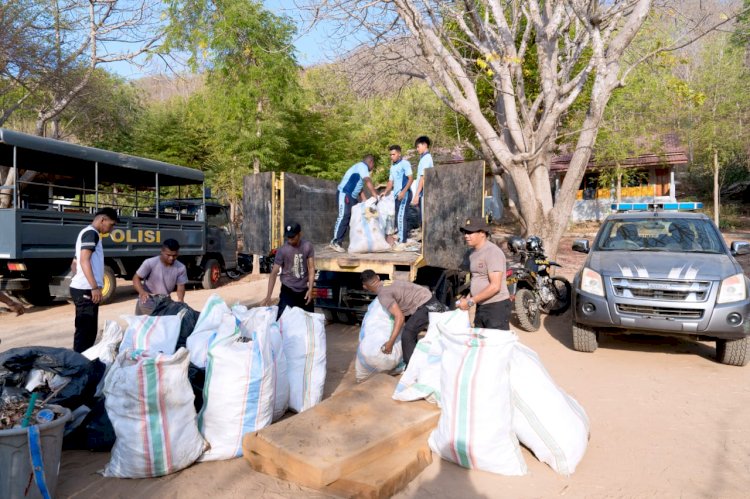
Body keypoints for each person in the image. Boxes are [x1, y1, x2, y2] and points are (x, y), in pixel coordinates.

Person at [361, 269, 445, 365]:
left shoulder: (383, 295)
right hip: (428, 299)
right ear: (378, 277)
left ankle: (411, 368)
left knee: (407, 334)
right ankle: (415, 359)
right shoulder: (387, 282)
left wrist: (390, 343)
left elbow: (399, 317)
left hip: (425, 305)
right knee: (411, 330)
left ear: (365, 286)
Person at [69, 207, 118, 352]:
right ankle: (80, 366)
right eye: (111, 224)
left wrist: (79, 277)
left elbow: (75, 262)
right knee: (86, 333)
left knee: (87, 331)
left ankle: (81, 363)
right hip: (86, 289)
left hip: (82, 287)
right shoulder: (92, 234)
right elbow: (84, 260)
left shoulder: (87, 233)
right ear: (103, 220)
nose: (111, 229)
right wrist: (94, 287)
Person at [456, 216, 511, 329]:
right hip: (481, 306)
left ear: (482, 233)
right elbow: (477, 279)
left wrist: (470, 302)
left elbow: (495, 286)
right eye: (465, 232)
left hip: (496, 307)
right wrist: (467, 298)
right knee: (481, 344)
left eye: (470, 232)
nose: (466, 235)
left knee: (495, 344)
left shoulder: (492, 252)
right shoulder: (472, 253)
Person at [261, 222, 315, 319]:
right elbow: (274, 273)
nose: (290, 240)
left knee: (309, 321)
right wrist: (268, 296)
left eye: (293, 237)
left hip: (304, 291)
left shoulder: (307, 246)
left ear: (299, 234)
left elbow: (311, 268)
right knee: (283, 321)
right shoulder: (282, 250)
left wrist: (310, 289)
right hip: (288, 290)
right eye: (288, 237)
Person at [329, 155, 378, 253]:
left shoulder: (360, 168)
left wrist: (364, 200)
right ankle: (335, 242)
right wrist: (374, 194)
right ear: (371, 162)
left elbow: (359, 186)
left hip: (352, 196)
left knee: (355, 218)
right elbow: (367, 181)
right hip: (345, 193)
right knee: (344, 216)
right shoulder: (362, 166)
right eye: (373, 165)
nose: (372, 168)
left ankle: (358, 243)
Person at [132, 238, 188, 315]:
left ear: (178, 253)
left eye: (174, 255)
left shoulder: (181, 267)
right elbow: (136, 278)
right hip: (148, 299)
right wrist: (142, 292)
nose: (171, 258)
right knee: (144, 324)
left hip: (165, 300)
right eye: (168, 255)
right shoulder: (150, 263)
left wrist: (180, 299)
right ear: (162, 251)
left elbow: (181, 286)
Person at [382, 145, 413, 248]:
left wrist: (404, 192)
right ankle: (401, 238)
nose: (392, 156)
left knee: (401, 216)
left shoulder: (405, 164)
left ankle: (402, 241)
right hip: (396, 196)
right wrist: (385, 191)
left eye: (393, 154)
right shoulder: (392, 167)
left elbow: (410, 178)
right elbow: (391, 182)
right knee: (398, 217)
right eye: (390, 154)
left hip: (405, 193)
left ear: (399, 154)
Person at [410, 136, 434, 226]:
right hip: (423, 193)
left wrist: (416, 195)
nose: (417, 149)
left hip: (423, 194)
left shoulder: (426, 159)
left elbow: (422, 177)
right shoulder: (424, 158)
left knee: (423, 219)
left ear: (425, 145)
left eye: (418, 146)